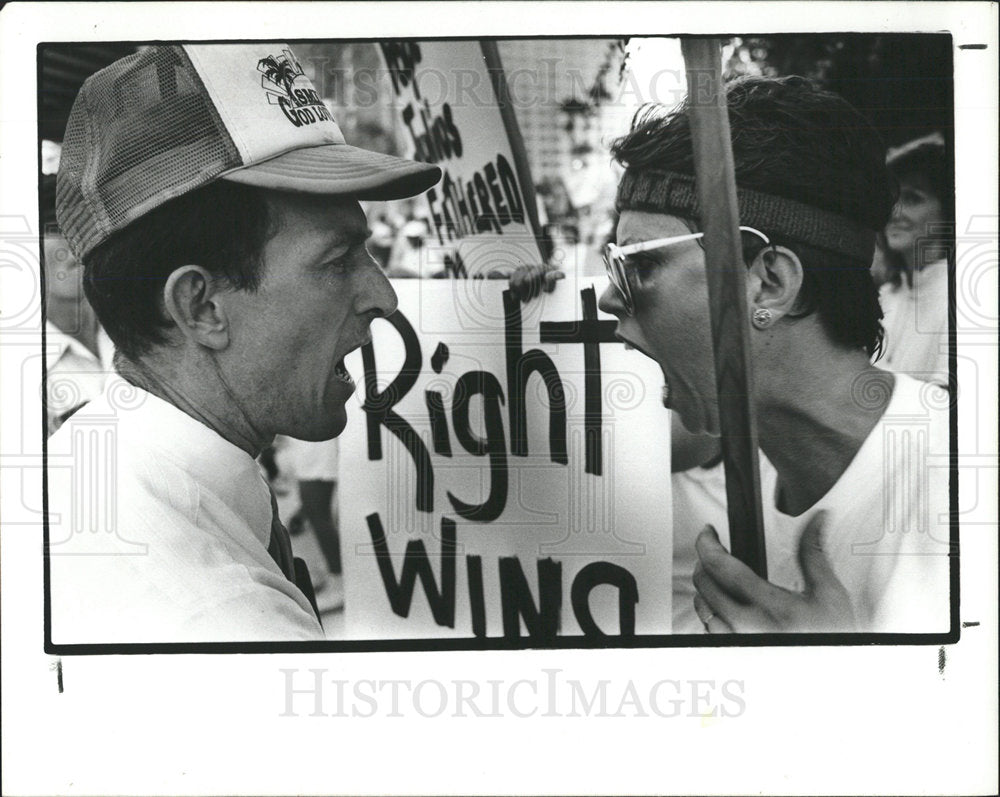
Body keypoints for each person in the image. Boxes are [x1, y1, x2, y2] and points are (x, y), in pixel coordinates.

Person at [48, 44, 440, 643]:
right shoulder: (223, 619)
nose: (383, 297)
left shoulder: (102, 467)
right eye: (337, 262)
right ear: (200, 308)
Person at [596, 76, 950, 633]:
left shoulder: (953, 488)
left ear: (769, 282)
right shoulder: (755, 455)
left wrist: (835, 680)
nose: (611, 297)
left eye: (639, 266)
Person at [875, 133, 953, 387]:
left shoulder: (961, 299)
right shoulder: (885, 296)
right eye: (892, 197)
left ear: (948, 210)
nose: (895, 213)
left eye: (913, 199)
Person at [40, 174, 114, 435]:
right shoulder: (15, 369)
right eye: (52, 229)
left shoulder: (140, 321)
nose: (72, 240)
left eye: (81, 225)